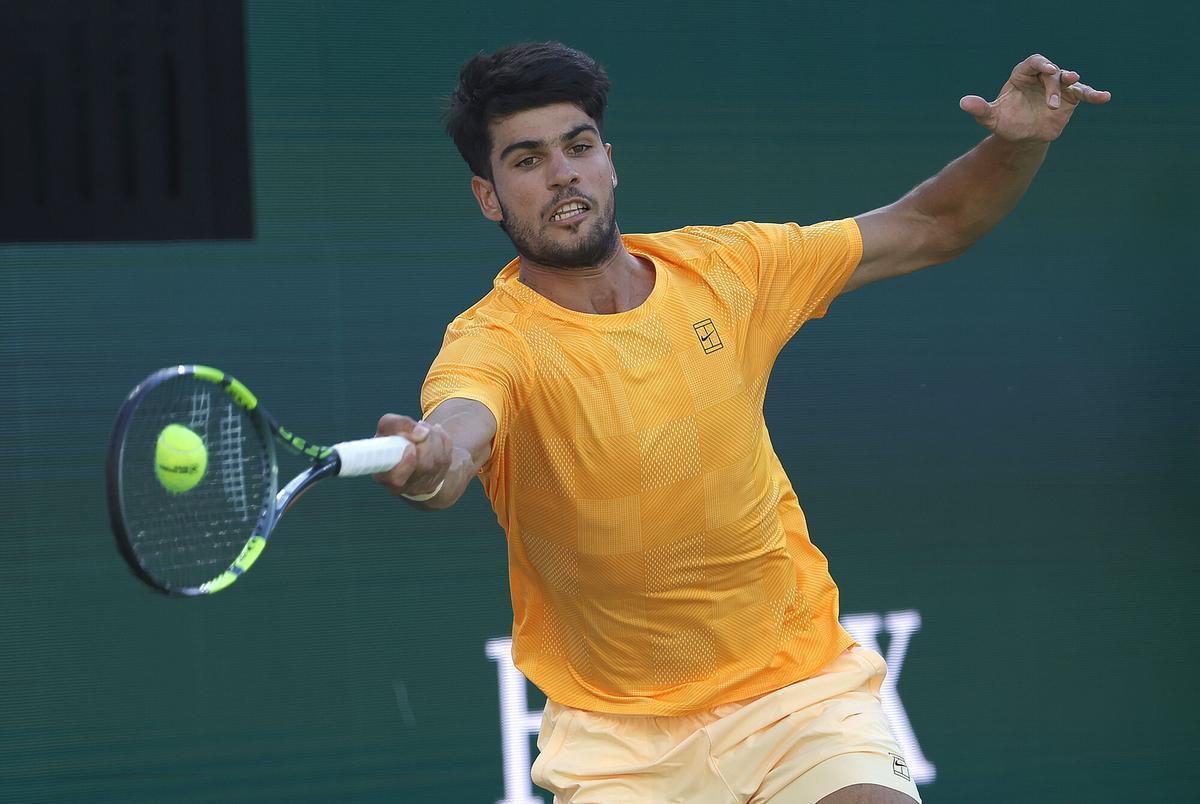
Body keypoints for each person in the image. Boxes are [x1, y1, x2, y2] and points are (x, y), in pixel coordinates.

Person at [371, 42, 1109, 803]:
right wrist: (434, 462)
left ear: (609, 161)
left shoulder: (728, 271)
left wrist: (1014, 144)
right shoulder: (491, 343)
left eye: (578, 146)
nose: (562, 173)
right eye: (526, 160)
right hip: (618, 743)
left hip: (797, 695)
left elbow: (934, 223)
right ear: (488, 196)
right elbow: (461, 430)